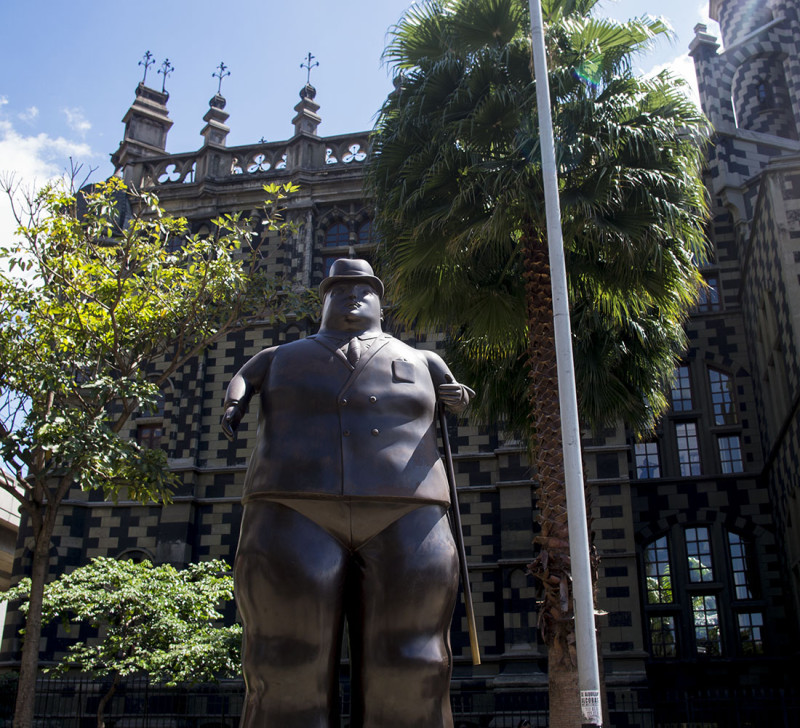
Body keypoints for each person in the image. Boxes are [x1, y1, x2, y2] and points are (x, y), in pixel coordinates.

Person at [221, 259, 473, 728]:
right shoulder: (279, 356)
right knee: (284, 657)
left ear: (381, 301)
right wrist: (233, 406)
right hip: (293, 504)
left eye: (364, 290)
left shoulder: (423, 360)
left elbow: (456, 395)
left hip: (408, 509)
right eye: (340, 291)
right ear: (324, 301)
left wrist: (458, 397)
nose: (352, 297)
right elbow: (242, 380)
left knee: (412, 661)